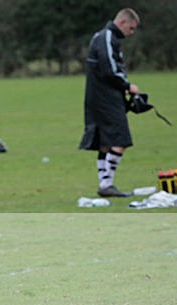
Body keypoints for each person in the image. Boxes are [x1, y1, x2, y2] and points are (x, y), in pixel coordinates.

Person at [79, 8, 141, 198]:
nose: (131, 33)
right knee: (120, 139)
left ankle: (105, 184)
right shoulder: (106, 37)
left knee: (105, 142)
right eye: (131, 29)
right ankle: (106, 184)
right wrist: (127, 85)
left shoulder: (105, 37)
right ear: (122, 23)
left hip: (99, 97)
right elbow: (109, 69)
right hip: (104, 98)